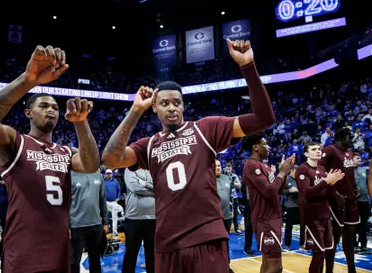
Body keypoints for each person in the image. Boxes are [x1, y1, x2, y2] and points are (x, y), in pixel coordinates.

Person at [102, 39, 276, 273]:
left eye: (177, 102)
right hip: (166, 241)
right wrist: (135, 110)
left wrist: (248, 66)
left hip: (207, 237)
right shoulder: (149, 144)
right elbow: (110, 159)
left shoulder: (206, 129)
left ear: (183, 106)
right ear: (155, 107)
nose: (171, 108)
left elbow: (264, 118)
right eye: (164, 103)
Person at [0, 45, 100, 272]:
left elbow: (91, 165)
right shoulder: (16, 142)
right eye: (43, 106)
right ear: (29, 113)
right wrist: (28, 80)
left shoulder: (65, 152)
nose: (51, 110)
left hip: (59, 250)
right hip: (24, 252)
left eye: (54, 107)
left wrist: (81, 122)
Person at [242, 132, 295, 273]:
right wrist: (282, 173)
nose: (269, 147)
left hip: (272, 217)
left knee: (267, 264)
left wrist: (283, 172)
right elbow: (268, 191)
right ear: (256, 147)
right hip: (265, 219)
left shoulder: (264, 165)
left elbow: (277, 190)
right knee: (276, 266)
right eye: (265, 144)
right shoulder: (251, 165)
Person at [295, 142, 344, 273]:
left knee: (325, 252)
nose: (318, 151)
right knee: (318, 254)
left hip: (325, 215)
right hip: (311, 217)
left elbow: (330, 195)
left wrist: (333, 183)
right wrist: (327, 181)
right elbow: (307, 193)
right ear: (306, 153)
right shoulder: (302, 169)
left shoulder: (322, 170)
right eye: (313, 149)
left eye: (319, 149)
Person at [319, 128, 358, 273]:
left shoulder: (349, 153)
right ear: (342, 137)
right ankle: (329, 270)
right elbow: (320, 172)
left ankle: (351, 268)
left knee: (350, 232)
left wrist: (354, 187)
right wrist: (334, 193)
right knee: (334, 236)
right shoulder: (330, 150)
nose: (352, 140)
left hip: (351, 199)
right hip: (336, 200)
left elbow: (348, 174)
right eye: (350, 137)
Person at [69, 169, 108, 273]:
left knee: (95, 261)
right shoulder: (70, 175)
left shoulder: (98, 175)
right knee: (73, 262)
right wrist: (67, 225)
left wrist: (105, 222)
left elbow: (102, 199)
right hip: (76, 225)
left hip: (96, 224)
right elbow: (65, 203)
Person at [122, 167, 155, 273]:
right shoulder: (130, 169)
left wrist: (145, 183)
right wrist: (154, 191)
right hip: (134, 218)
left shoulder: (153, 168)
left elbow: (161, 187)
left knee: (152, 253)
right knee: (131, 253)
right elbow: (135, 187)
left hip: (153, 218)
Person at [282, 165, 304, 250]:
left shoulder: (301, 179)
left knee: (303, 225)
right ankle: (287, 245)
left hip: (301, 205)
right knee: (288, 226)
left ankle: (302, 244)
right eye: (296, 171)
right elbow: (280, 191)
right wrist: (289, 191)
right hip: (291, 206)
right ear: (291, 171)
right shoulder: (286, 179)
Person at [353, 153, 370, 253]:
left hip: (365, 201)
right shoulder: (348, 171)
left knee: (363, 225)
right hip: (354, 202)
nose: (359, 159)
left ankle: (363, 245)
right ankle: (354, 245)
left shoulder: (364, 170)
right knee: (354, 225)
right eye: (357, 158)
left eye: (360, 158)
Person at [104, 169, 124, 236]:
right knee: (105, 217)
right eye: (107, 173)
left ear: (112, 173)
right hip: (106, 202)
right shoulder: (103, 182)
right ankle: (106, 230)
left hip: (114, 202)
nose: (108, 174)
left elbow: (119, 190)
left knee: (114, 217)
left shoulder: (115, 181)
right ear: (105, 174)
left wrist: (118, 198)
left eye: (109, 173)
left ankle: (114, 231)